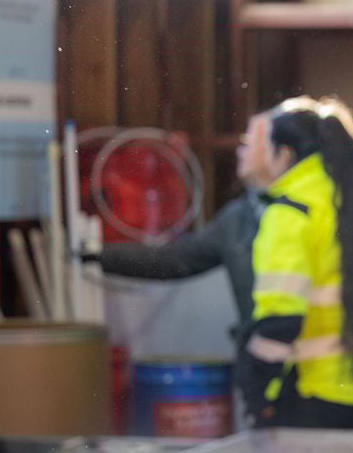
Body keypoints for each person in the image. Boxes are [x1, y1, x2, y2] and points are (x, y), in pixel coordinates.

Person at [242, 96, 353, 429]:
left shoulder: (291, 211)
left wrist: (257, 394)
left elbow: (279, 320)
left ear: (284, 155)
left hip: (324, 392)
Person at [97, 113, 279, 356]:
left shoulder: (318, 212)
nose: (240, 151)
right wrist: (99, 256)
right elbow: (175, 261)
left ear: (283, 153)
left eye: (250, 143)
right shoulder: (239, 218)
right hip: (262, 364)